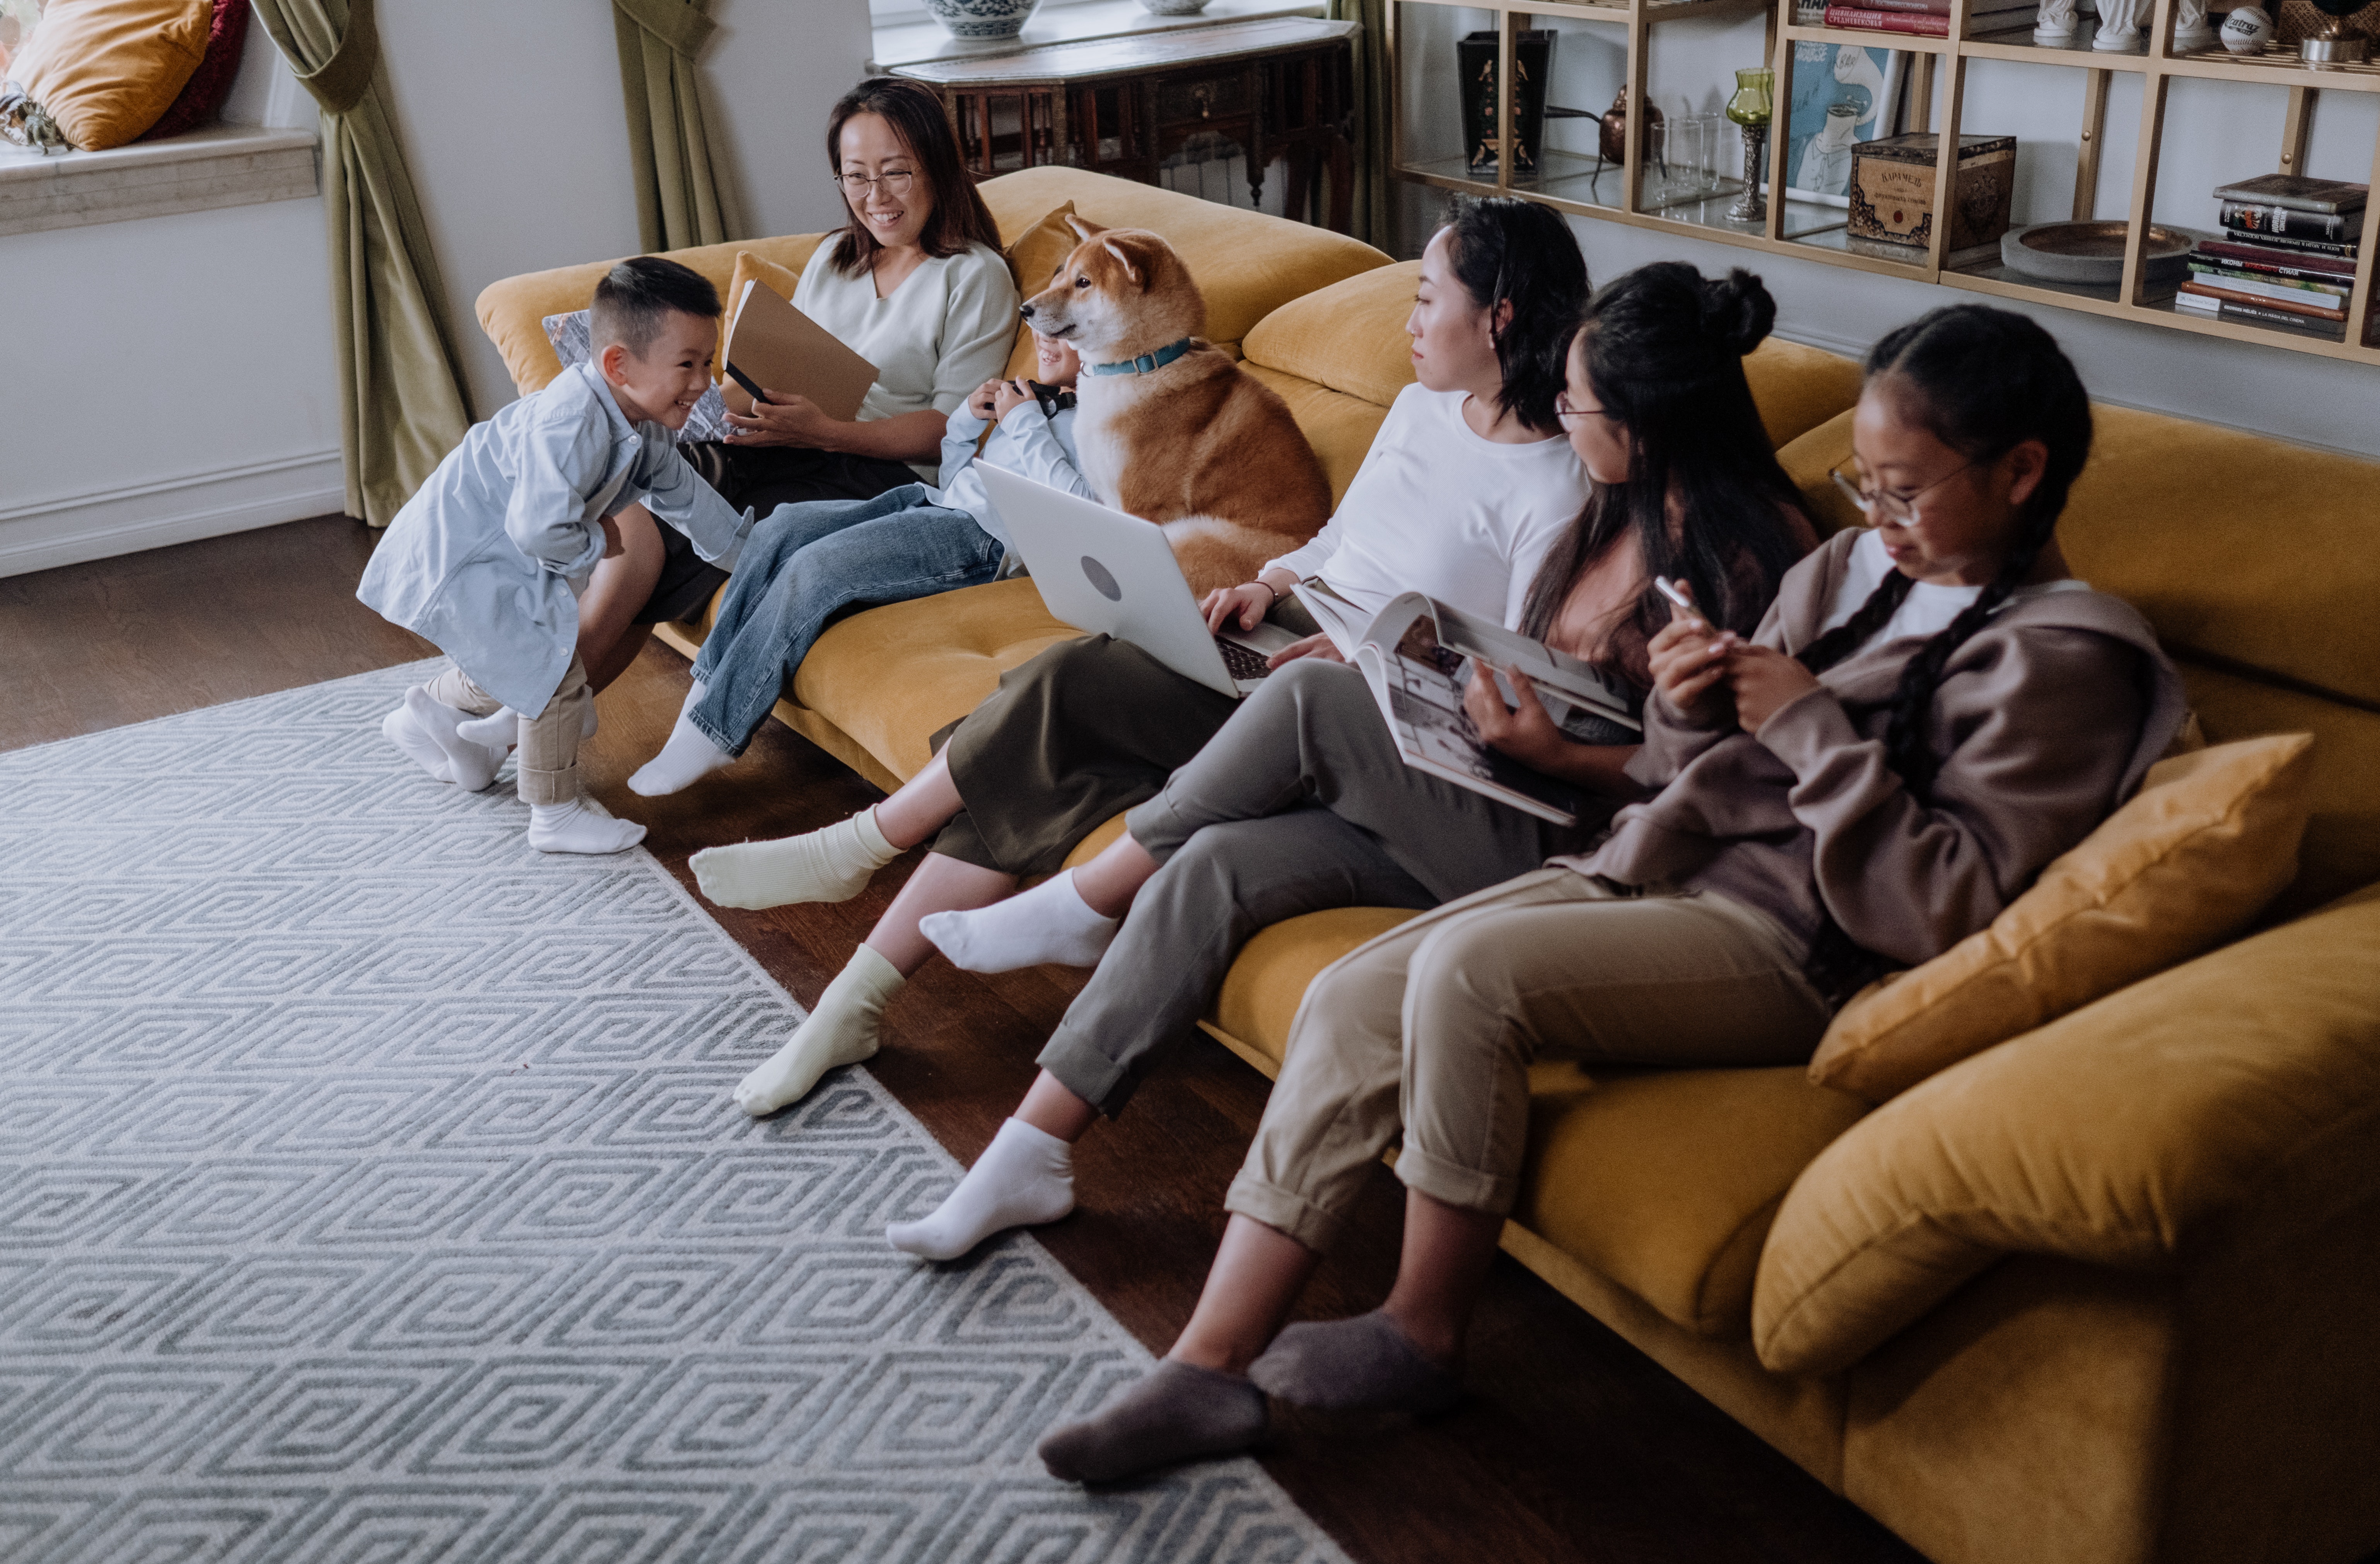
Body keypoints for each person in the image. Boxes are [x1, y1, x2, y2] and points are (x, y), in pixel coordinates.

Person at [1029, 302, 2191, 1484]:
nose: (1875, 519)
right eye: (1865, 484)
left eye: (1904, 491)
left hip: (1803, 943)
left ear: (2021, 470)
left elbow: (1938, 903)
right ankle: (1206, 1363)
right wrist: (1690, 698)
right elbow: (1671, 777)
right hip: (1657, 865)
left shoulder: (2066, 660)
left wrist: (1801, 720)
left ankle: (1421, 1328)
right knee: (1355, 987)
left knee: (1465, 975)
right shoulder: (1843, 567)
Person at [887, 263, 1818, 1262]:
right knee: (1215, 863)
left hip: (1574, 851)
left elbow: (1718, 788)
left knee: (1311, 697)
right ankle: (1030, 1148)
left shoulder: (1751, 560)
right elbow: (1533, 656)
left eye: (1577, 403)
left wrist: (1550, 749)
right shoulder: (1609, 507)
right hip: (1492, 783)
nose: (1557, 413)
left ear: (1646, 420)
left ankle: (1088, 896)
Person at [693, 196, 1597, 1117]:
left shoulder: (1559, 478)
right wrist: (1269, 579)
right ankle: (853, 998)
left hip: (1356, 707)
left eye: (1426, 298)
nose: (1407, 322)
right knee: (1060, 719)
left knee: (1065, 701)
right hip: (1284, 632)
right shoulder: (1419, 407)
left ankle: (860, 873)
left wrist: (1359, 649)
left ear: (1501, 316)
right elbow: (1338, 541)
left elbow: (1507, 664)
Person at [573, 76, 1021, 700]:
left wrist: (827, 432)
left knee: (663, 519)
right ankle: (534, 719)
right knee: (640, 487)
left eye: (896, 172)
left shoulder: (974, 276)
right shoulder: (836, 257)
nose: (876, 196)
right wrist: (690, 410)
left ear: (937, 167)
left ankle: (528, 721)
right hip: (786, 444)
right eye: (855, 176)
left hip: (884, 477)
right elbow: (768, 373)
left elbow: (950, 427)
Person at [359, 258, 776, 855]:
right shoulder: (570, 422)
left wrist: (754, 556)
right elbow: (536, 527)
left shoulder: (646, 426)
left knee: (518, 654)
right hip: (464, 556)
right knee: (552, 669)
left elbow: (690, 503)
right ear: (617, 364)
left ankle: (429, 715)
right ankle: (553, 813)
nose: (704, 382)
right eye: (687, 364)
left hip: (501, 554)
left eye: (707, 362)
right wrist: (597, 541)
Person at [626, 326, 1091, 796]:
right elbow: (957, 481)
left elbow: (1085, 510)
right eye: (1040, 325)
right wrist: (968, 423)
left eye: (1063, 329)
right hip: (932, 501)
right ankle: (704, 695)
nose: (1044, 339)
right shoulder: (1033, 397)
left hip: (984, 541)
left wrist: (1026, 422)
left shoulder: (1105, 416)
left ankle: (716, 730)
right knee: (779, 527)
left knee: (817, 568)